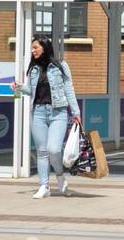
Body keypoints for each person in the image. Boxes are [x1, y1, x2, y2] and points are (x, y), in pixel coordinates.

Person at [11, 35, 80, 199]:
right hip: (38, 113)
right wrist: (19, 87)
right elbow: (31, 91)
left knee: (54, 149)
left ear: (45, 47)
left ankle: (60, 177)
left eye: (35, 47)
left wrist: (76, 112)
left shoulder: (61, 66)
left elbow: (69, 90)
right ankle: (44, 186)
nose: (32, 51)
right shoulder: (33, 68)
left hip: (58, 112)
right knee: (42, 151)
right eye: (32, 48)